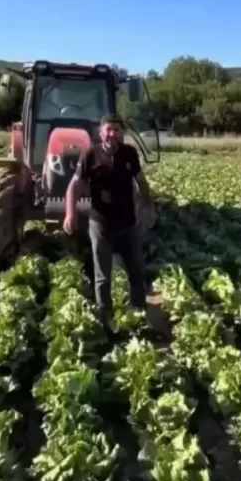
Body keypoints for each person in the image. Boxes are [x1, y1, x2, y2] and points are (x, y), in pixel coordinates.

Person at [64, 114, 154, 331]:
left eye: (117, 130)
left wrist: (147, 206)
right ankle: (106, 318)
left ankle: (138, 313)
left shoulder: (129, 154)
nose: (112, 134)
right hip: (100, 224)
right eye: (108, 129)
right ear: (100, 132)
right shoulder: (90, 154)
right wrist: (70, 213)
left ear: (122, 133)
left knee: (136, 271)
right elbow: (75, 185)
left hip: (127, 224)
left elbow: (140, 181)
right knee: (103, 276)